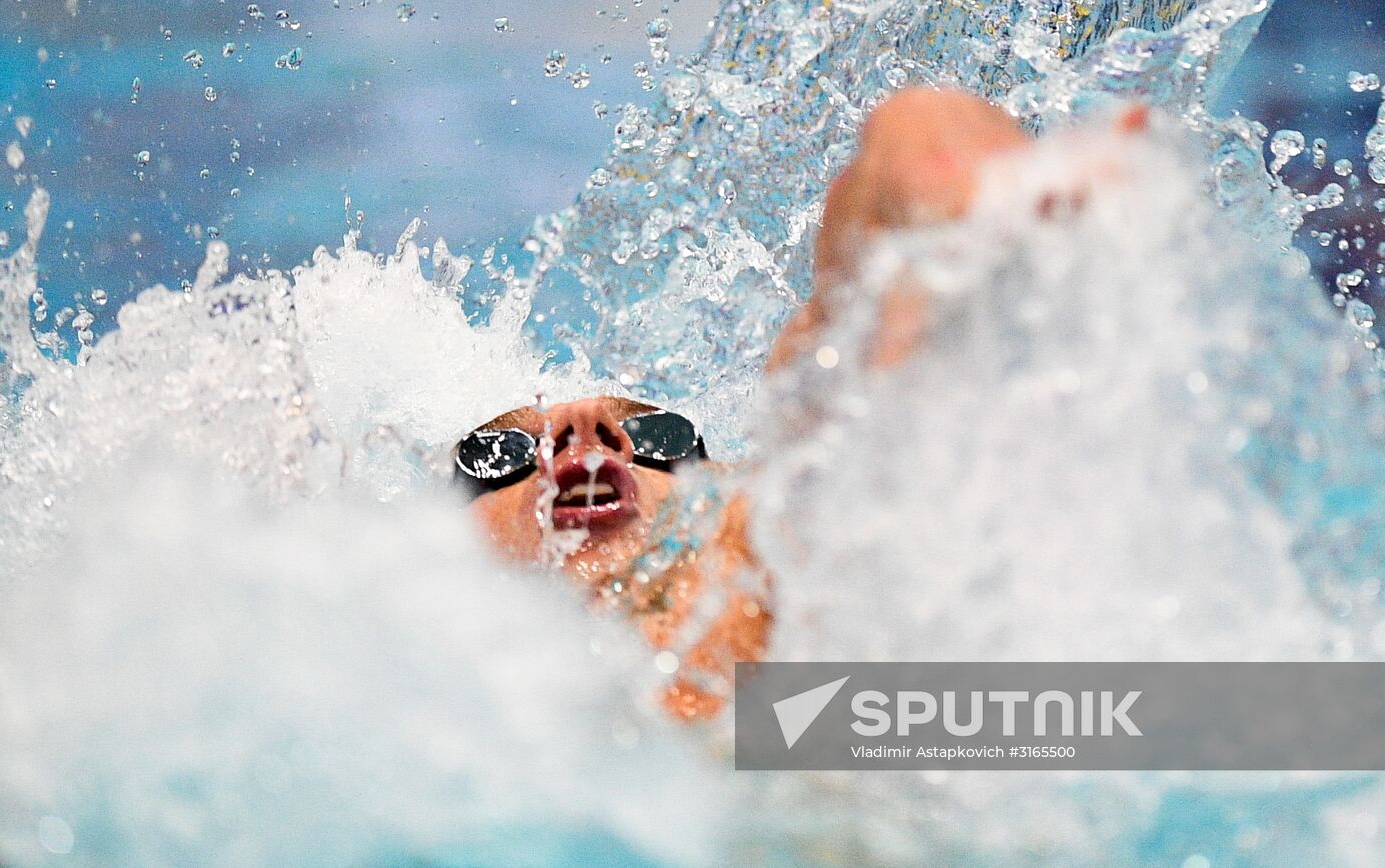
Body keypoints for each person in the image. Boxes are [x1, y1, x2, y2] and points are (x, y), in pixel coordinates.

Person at [460, 88, 1132, 719]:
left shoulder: (779, 615)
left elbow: (873, 216)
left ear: (719, 488)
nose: (589, 428)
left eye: (658, 437)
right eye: (504, 454)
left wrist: (959, 206)